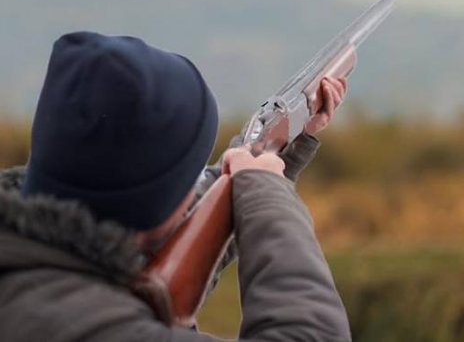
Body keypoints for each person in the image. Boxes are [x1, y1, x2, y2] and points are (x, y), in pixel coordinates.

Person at [0, 31, 352, 341]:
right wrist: (266, 192)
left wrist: (281, 146)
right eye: (192, 173)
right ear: (153, 206)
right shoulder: (103, 329)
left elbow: (174, 226)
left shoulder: (33, 274)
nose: (198, 183)